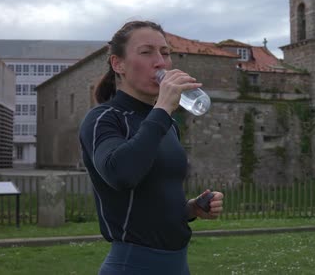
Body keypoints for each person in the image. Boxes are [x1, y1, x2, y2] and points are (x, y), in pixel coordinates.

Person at [78, 20, 224, 274]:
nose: (161, 62)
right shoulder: (104, 118)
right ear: (118, 64)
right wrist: (163, 109)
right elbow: (121, 174)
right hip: (132, 265)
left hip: (178, 265)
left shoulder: (166, 124)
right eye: (146, 52)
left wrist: (191, 208)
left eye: (165, 53)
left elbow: (154, 195)